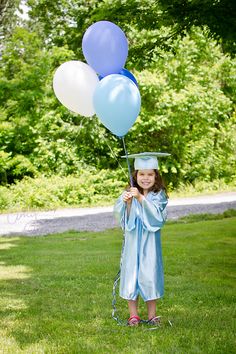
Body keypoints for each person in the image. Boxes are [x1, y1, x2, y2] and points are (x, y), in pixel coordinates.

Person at [114, 152, 168, 326]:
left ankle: (152, 315)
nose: (146, 178)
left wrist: (140, 198)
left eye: (150, 174)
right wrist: (127, 203)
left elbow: (157, 218)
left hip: (150, 243)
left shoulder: (158, 195)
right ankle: (133, 315)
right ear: (135, 175)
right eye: (142, 174)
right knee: (132, 274)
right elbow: (125, 221)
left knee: (150, 274)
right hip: (132, 243)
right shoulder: (129, 192)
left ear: (156, 176)